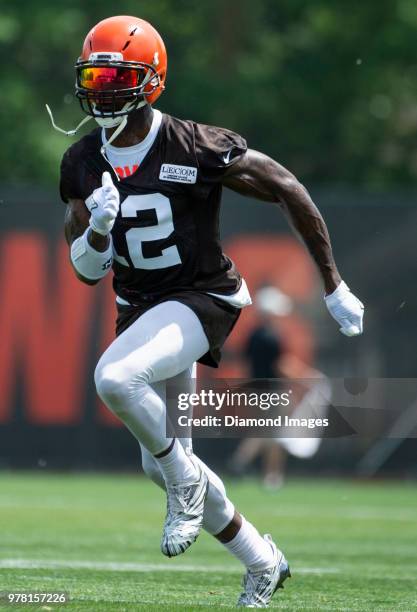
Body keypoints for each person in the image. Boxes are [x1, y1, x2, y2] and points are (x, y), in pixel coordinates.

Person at [51, 15, 364, 608]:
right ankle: (262, 560)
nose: (103, 88)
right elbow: (86, 271)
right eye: (95, 75)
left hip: (202, 300)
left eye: (118, 76)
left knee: (115, 380)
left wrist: (333, 283)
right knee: (160, 462)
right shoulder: (82, 161)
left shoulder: (194, 145)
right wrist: (96, 228)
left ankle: (187, 482)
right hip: (142, 312)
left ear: (152, 81)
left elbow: (286, 187)